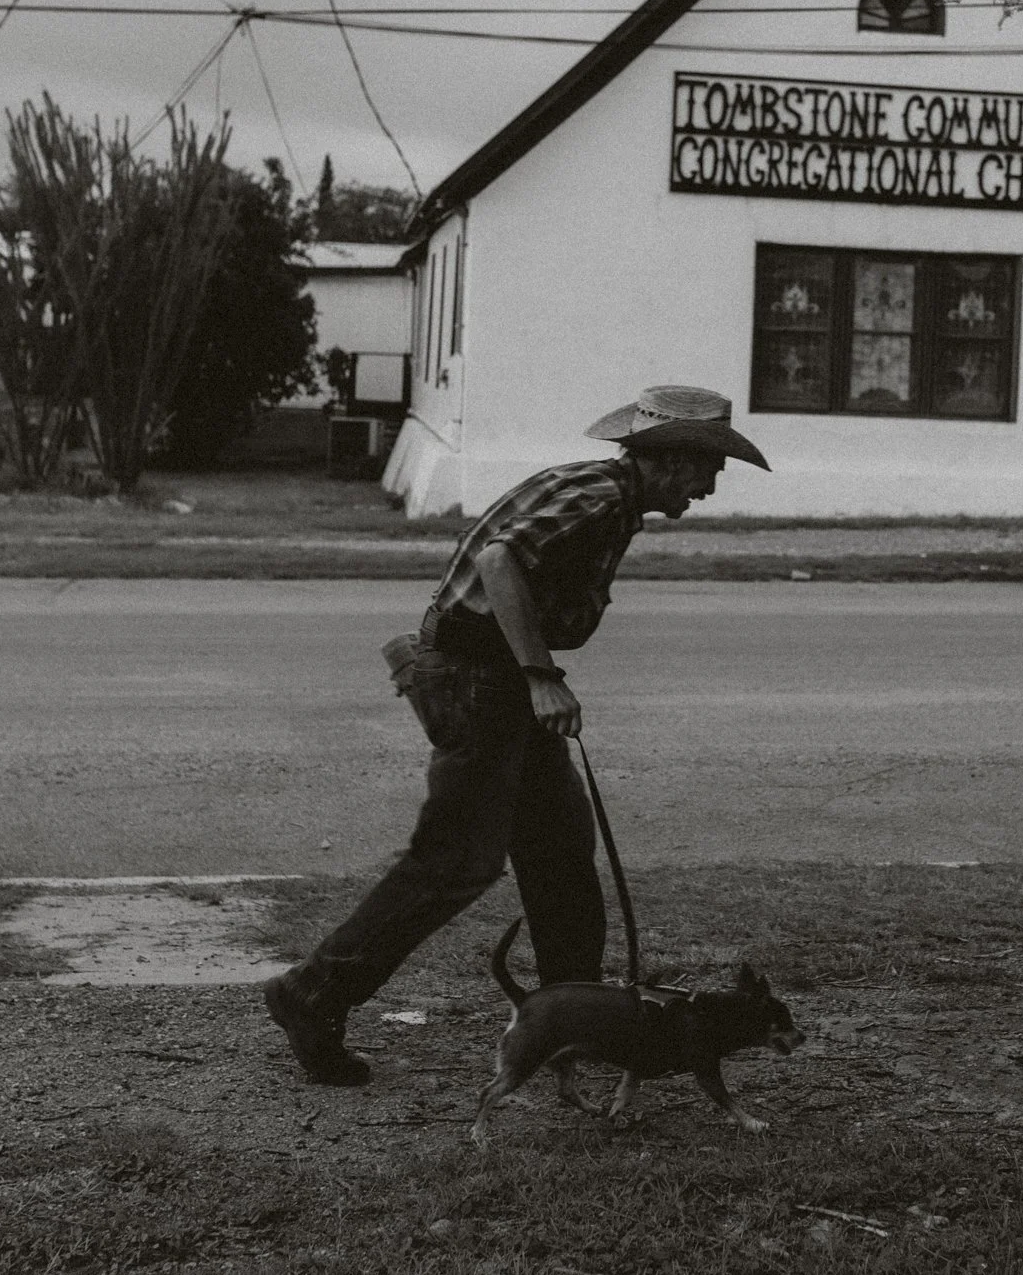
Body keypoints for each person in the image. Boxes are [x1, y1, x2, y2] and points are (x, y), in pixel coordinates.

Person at [263, 384, 770, 1085]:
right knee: (456, 861)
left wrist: (532, 676)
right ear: (672, 460)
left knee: (560, 847)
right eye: (708, 469)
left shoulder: (609, 496)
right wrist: (538, 675)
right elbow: (500, 561)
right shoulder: (597, 496)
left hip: (498, 681)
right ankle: (311, 992)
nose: (711, 487)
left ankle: (581, 1018)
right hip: (482, 682)